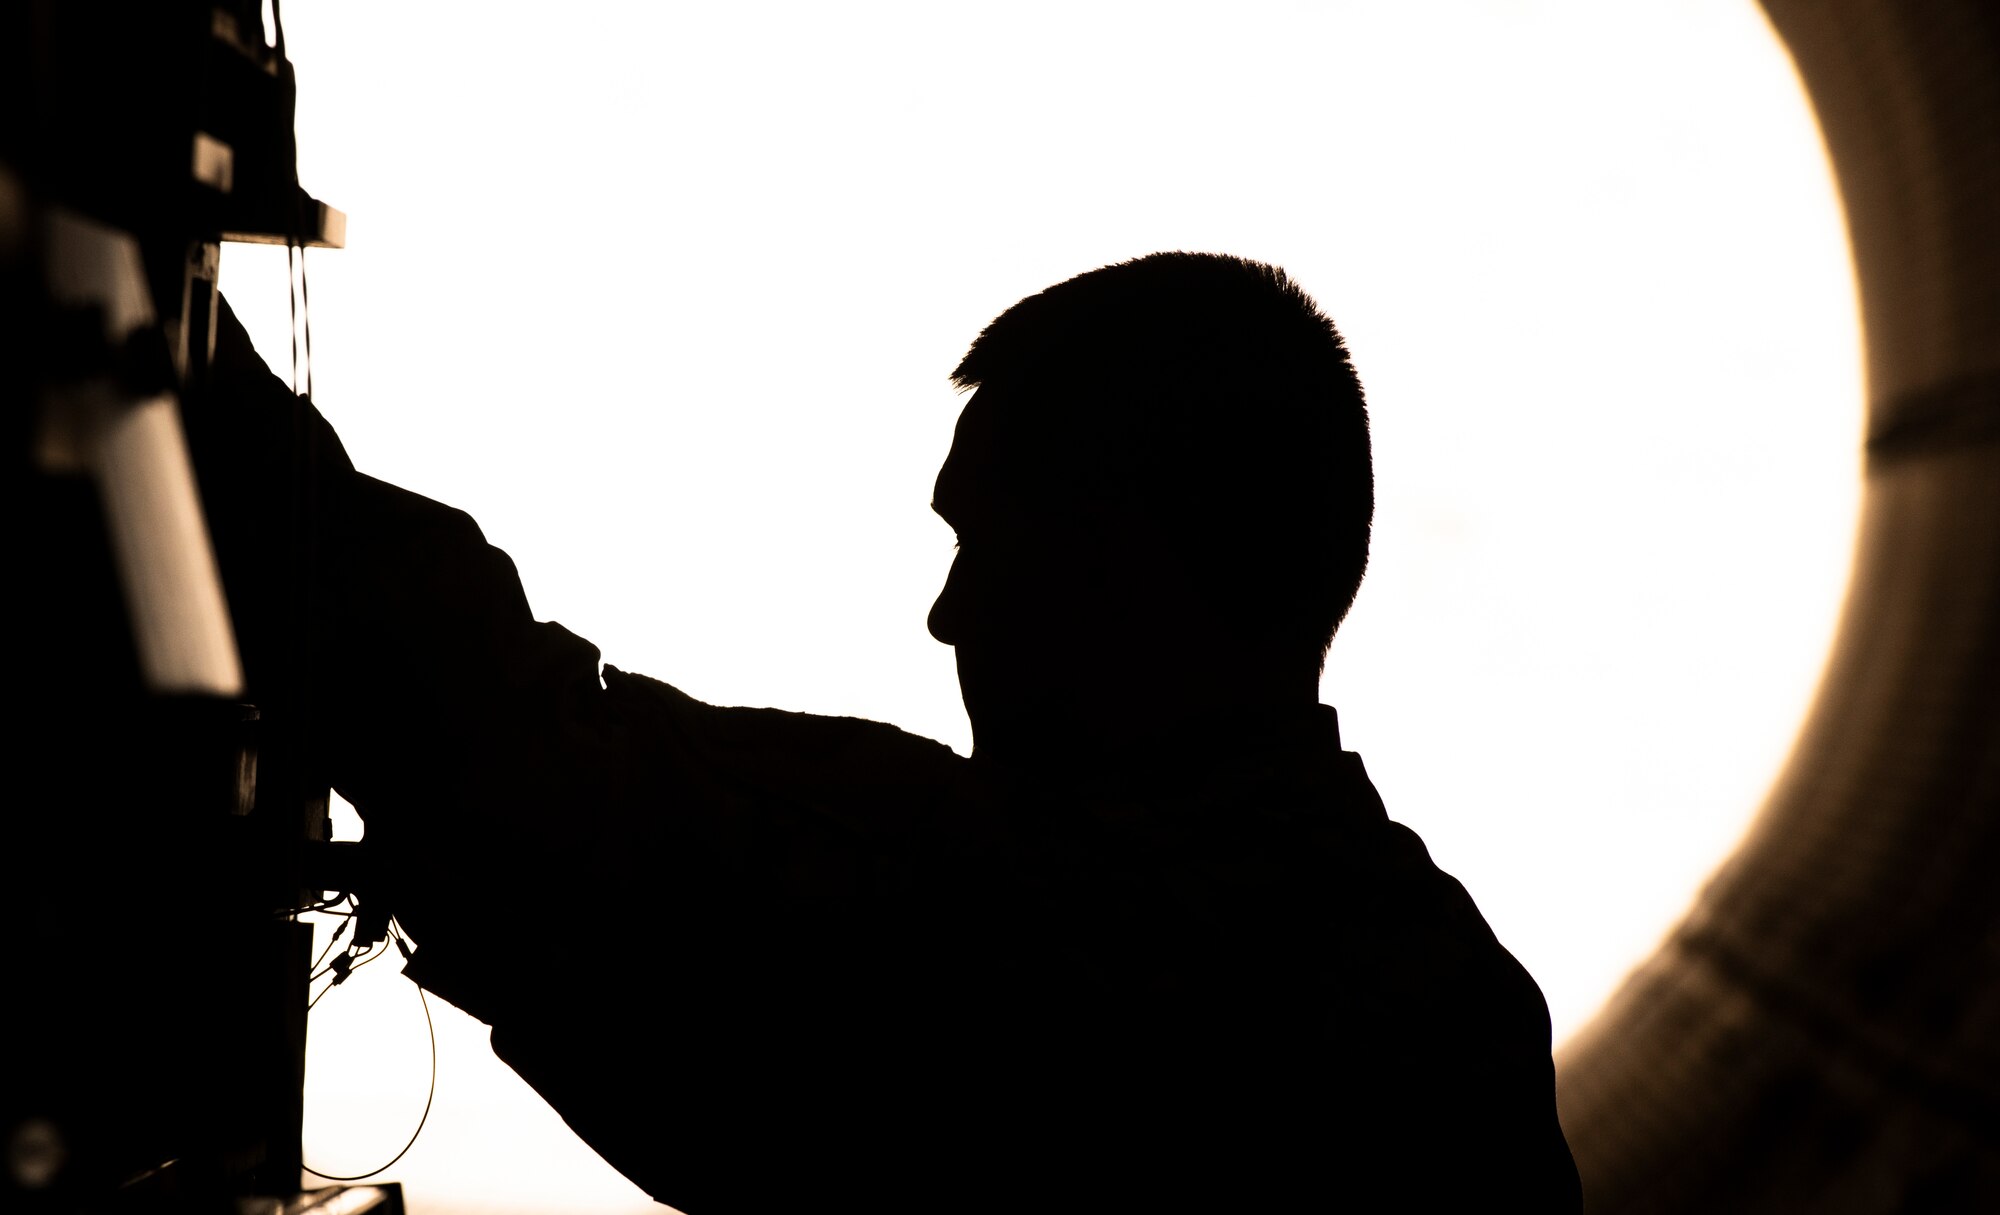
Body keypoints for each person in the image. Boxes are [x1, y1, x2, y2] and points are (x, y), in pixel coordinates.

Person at [201, 252, 1581, 1212]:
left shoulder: (1085, 939)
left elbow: (539, 761)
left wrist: (181, 377)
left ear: (1126, 568)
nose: (950, 614)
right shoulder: (1440, 993)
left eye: (992, 547)